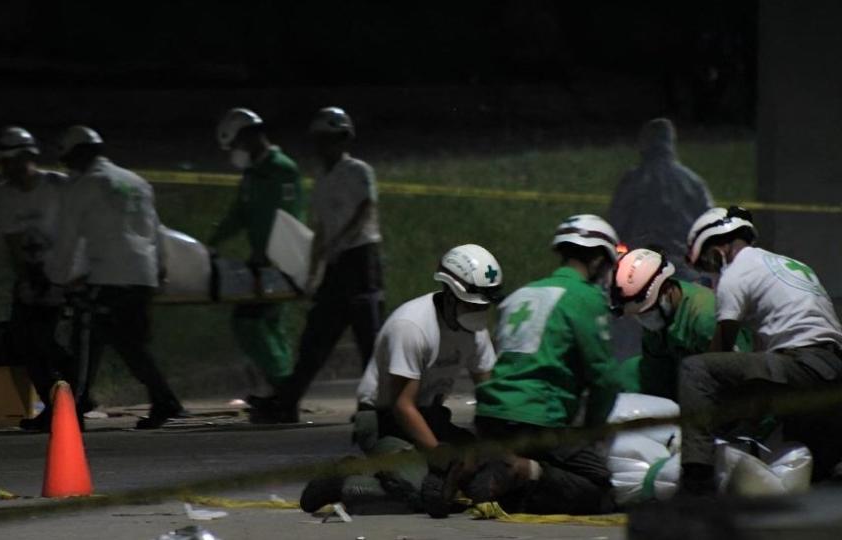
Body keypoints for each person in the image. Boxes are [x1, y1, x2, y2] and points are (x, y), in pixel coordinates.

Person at [423, 214, 622, 518]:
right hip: (539, 418)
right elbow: (604, 378)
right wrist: (592, 431)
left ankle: (470, 466)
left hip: (492, 416)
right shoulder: (586, 298)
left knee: (532, 483)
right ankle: (519, 469)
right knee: (600, 490)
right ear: (597, 260)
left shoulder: (520, 295)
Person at [299, 244, 502, 514]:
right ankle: (345, 478)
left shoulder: (475, 331)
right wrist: (439, 454)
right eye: (472, 304)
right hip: (386, 420)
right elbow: (402, 405)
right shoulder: (412, 326)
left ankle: (425, 470)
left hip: (430, 417)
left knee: (490, 465)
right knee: (417, 490)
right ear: (450, 295)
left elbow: (488, 391)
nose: (479, 312)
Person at [678, 206, 842, 495]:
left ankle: (696, 480)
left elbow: (722, 349)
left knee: (696, 368)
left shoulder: (736, 273)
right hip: (829, 370)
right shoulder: (785, 264)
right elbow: (760, 357)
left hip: (802, 364)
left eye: (707, 264)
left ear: (718, 249)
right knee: (809, 469)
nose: (710, 275)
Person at [249, 107, 384, 423]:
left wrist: (342, 240)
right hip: (337, 263)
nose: (326, 146)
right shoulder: (322, 179)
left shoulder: (358, 171)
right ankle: (287, 401)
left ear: (343, 140)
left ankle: (377, 405)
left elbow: (366, 207)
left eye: (332, 139)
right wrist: (313, 270)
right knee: (316, 335)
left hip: (361, 259)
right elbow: (322, 228)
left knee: (369, 336)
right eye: (322, 140)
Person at [48, 125, 185, 429]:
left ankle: (73, 407)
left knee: (85, 335)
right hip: (142, 275)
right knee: (129, 343)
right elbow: (155, 230)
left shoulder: (84, 186)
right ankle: (166, 401)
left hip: (110, 275)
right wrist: (160, 269)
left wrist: (56, 280)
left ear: (76, 156)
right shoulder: (136, 182)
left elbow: (67, 240)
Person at [207, 108, 305, 405]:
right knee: (269, 324)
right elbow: (238, 215)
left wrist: (272, 254)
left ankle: (283, 387)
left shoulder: (281, 169)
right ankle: (283, 390)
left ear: (249, 137)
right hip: (261, 262)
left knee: (249, 322)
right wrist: (210, 243)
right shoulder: (252, 175)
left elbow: (290, 216)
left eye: (235, 145)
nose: (235, 153)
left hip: (280, 260)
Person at [0, 126, 78, 432]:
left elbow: (80, 231)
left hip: (68, 277)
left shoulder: (58, 186)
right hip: (34, 278)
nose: (5, 168)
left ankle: (75, 396)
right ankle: (56, 403)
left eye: (9, 160)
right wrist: (27, 280)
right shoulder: (6, 195)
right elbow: (13, 243)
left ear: (28, 157)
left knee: (58, 342)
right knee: (25, 341)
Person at [607, 118, 715, 361]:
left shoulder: (633, 181)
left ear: (644, 144)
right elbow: (709, 228)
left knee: (633, 344)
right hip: (684, 273)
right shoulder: (693, 183)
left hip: (639, 272)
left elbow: (615, 227)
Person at [610, 248, 752, 400]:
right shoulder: (659, 318)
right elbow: (655, 366)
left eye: (646, 312)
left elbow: (737, 376)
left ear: (665, 291)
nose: (643, 319)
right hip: (684, 378)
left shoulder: (706, 318)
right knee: (629, 373)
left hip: (729, 391)